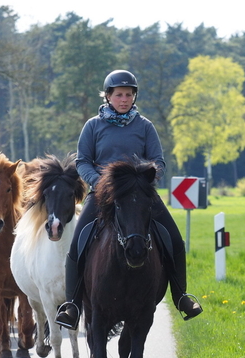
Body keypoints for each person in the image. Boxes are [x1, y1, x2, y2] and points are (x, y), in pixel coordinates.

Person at [55, 69, 203, 330]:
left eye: (129, 95)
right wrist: (101, 183)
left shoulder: (145, 126)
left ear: (134, 97)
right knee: (77, 244)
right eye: (119, 95)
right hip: (103, 195)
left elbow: (158, 160)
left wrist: (146, 178)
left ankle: (181, 297)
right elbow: (83, 161)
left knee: (175, 241)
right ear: (108, 96)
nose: (124, 99)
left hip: (140, 196)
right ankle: (72, 305)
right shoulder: (93, 126)